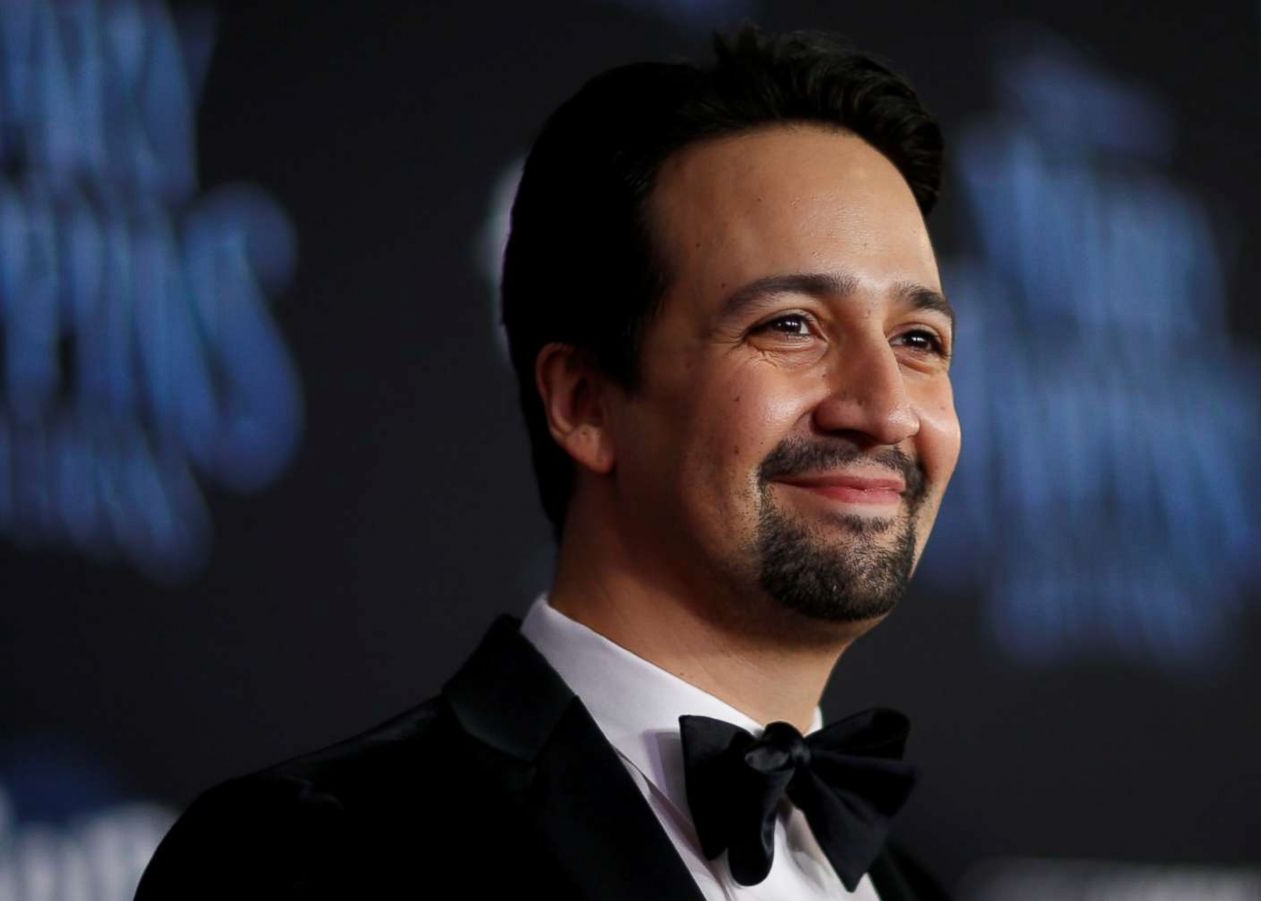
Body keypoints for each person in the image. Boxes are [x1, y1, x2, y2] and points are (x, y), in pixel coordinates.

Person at [136, 24, 959, 900]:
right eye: (790, 324)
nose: (886, 407)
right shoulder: (312, 859)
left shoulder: (915, 888)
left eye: (919, 339)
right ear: (584, 402)